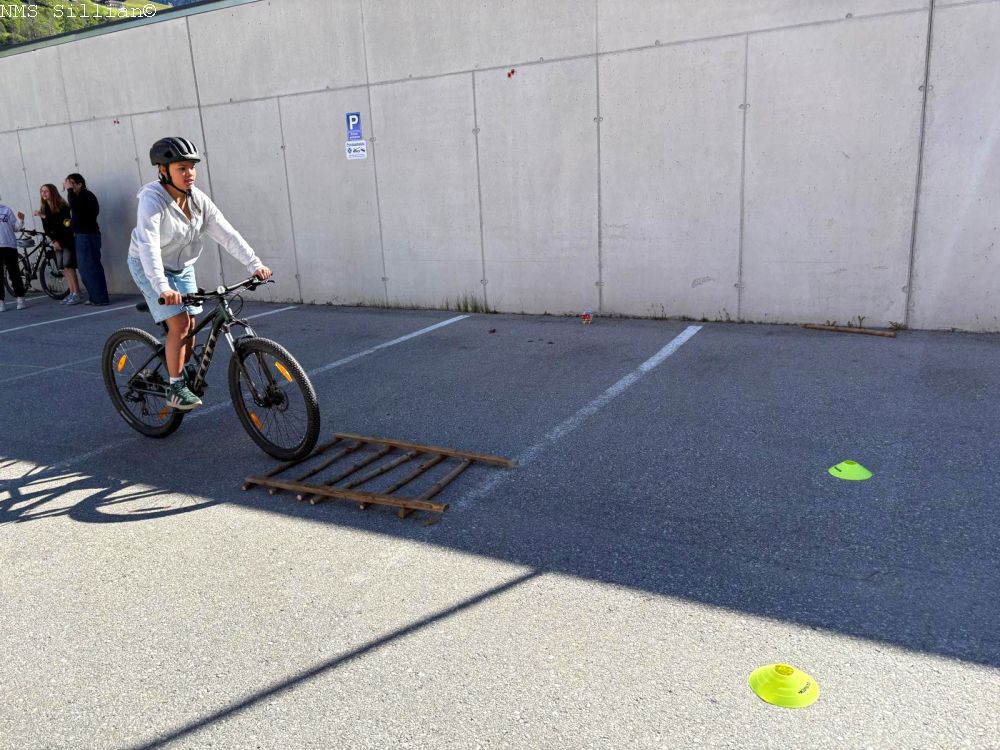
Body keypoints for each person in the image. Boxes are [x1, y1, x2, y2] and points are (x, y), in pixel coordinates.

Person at [128, 136, 272, 411]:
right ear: (163, 171)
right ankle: (175, 387)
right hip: (148, 266)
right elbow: (148, 247)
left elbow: (227, 234)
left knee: (192, 325)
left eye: (192, 167)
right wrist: (162, 287)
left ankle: (178, 367)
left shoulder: (198, 200)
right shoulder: (152, 200)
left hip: (182, 267)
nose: (189, 173)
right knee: (180, 324)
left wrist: (254, 264)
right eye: (181, 168)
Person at [64, 173, 110, 305]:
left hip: (87, 236)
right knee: (86, 269)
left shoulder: (85, 196)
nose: (69, 186)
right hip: (83, 235)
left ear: (80, 184)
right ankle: (95, 296)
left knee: (90, 267)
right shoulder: (80, 197)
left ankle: (100, 299)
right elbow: (79, 213)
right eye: (68, 183)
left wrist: (69, 191)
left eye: (72, 183)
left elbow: (75, 207)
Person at [34, 183, 83, 304]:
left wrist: (44, 217)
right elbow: (47, 228)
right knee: (64, 267)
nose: (43, 193)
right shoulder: (45, 208)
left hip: (66, 239)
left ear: (52, 192)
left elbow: (62, 224)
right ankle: (71, 293)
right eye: (42, 191)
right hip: (56, 242)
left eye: (46, 191)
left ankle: (76, 293)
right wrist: (54, 241)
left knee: (69, 266)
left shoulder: (62, 206)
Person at [0, 193, 27, 312]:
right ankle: (1, 302)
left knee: (14, 273)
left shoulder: (6, 210)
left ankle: (20, 298)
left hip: (9, 245)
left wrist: (21, 220)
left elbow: (16, 228)